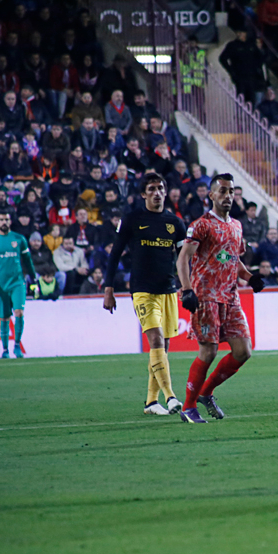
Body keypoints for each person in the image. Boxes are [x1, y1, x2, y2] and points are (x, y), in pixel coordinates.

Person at [176, 174, 266, 423]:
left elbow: (231, 259)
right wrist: (186, 289)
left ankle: (205, 393)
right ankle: (188, 407)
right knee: (209, 351)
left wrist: (249, 277)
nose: (228, 196)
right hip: (205, 296)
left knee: (243, 351)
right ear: (211, 195)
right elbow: (183, 258)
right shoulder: (201, 224)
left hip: (231, 297)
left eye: (231, 191)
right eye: (223, 191)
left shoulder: (237, 225)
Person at [103, 173, 185, 416]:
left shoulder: (175, 223)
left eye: (160, 188)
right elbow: (115, 254)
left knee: (163, 348)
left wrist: (188, 286)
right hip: (142, 290)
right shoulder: (132, 220)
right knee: (157, 341)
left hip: (168, 291)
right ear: (143, 194)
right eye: (151, 188)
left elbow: (184, 259)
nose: (157, 192)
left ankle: (151, 401)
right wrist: (109, 289)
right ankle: (171, 397)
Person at [0, 210, 37, 358]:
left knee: (19, 312)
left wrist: (34, 281)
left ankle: (17, 345)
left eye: (7, 219)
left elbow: (28, 261)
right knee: (3, 318)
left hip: (17, 283)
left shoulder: (19, 239)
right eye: (2, 220)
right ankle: (5, 350)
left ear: (10, 222)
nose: (4, 222)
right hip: (0, 285)